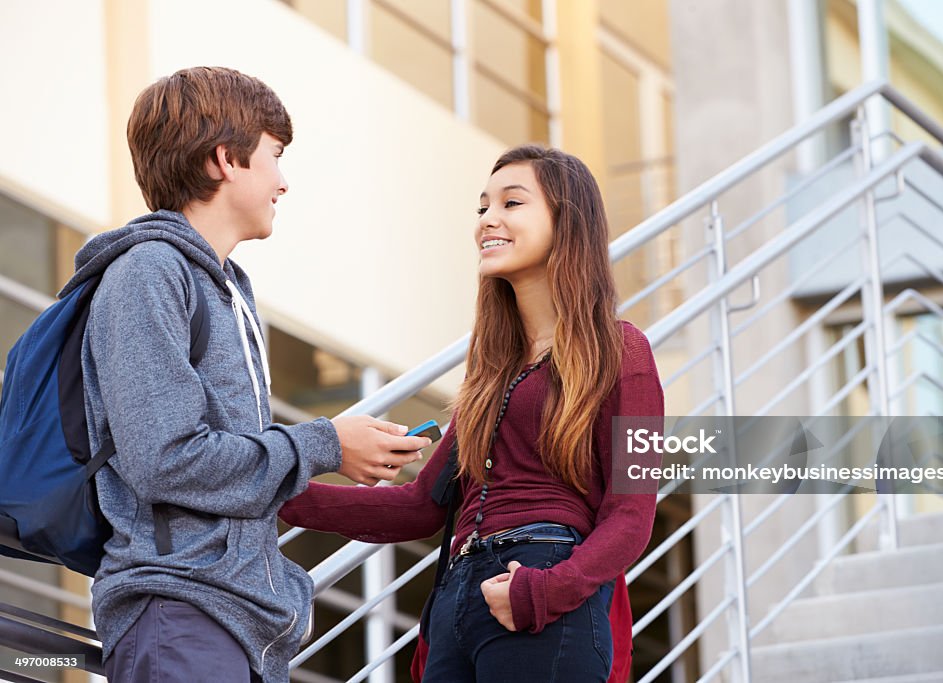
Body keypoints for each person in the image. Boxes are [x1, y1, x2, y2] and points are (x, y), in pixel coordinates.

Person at [69, 66, 433, 683]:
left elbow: (225, 464)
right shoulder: (148, 274)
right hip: (180, 612)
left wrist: (327, 456)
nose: (283, 181)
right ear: (224, 160)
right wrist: (326, 444)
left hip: (237, 621)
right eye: (275, 155)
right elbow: (166, 458)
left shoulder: (230, 288)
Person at [280, 144, 665, 682]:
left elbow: (632, 515)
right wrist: (276, 487)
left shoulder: (624, 351)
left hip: (542, 591)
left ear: (567, 220)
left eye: (512, 203)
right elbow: (421, 508)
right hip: (457, 602)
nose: (489, 220)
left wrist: (548, 589)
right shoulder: (491, 373)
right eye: (482, 207)